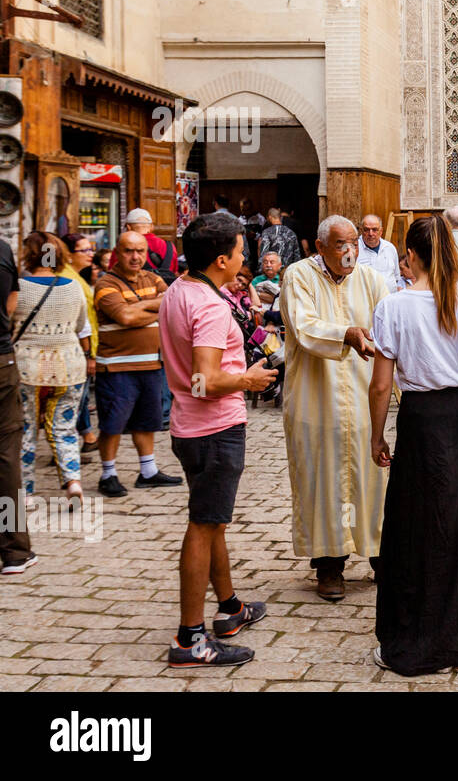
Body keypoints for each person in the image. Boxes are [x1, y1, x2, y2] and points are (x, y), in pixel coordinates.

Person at [368, 215, 458, 674]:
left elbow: (381, 386)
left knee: (414, 525)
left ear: (414, 256)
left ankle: (415, 635)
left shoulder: (394, 307)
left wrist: (376, 433)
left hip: (423, 419)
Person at [159, 213, 277, 668]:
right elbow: (204, 378)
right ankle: (190, 638)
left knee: (214, 522)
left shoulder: (180, 290)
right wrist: (247, 380)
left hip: (191, 426)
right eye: (241, 251)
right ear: (222, 259)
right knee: (203, 525)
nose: (245, 257)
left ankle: (229, 609)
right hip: (212, 428)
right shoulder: (208, 306)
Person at [279, 215, 389, 601]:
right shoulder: (298, 276)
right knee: (322, 481)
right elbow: (304, 326)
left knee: (371, 480)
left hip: (363, 401)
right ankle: (329, 565)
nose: (349, 252)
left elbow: (390, 329)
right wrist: (346, 333)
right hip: (316, 401)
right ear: (319, 246)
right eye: (340, 244)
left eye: (354, 243)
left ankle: (380, 557)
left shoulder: (373, 280)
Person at [92, 230, 179, 498]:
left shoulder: (152, 278)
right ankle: (108, 474)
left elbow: (171, 306)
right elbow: (125, 317)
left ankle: (148, 471)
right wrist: (153, 308)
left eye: (140, 251)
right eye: (129, 250)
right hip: (116, 366)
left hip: (151, 365)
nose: (135, 256)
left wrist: (140, 307)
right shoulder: (106, 283)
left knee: (147, 421)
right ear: (117, 252)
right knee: (112, 423)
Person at [14, 232, 90, 500]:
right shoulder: (74, 287)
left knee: (25, 428)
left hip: (27, 366)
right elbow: (81, 326)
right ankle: (73, 482)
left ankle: (25, 491)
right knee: (63, 426)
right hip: (69, 364)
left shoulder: (19, 287)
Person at [0, 238, 36, 575]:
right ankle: (14, 550)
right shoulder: (2, 248)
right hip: (1, 360)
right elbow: (12, 300)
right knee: (6, 456)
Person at [60, 233, 99, 453]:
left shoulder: (76, 276)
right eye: (84, 250)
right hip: (77, 349)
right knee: (77, 397)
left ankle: (85, 436)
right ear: (68, 254)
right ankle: (74, 442)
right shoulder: (70, 279)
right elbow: (81, 322)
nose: (90, 253)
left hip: (81, 347)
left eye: (90, 249)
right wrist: (88, 355)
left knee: (79, 396)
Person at [124, 208, 179, 280]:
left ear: (128, 227)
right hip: (166, 289)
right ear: (151, 227)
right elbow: (174, 271)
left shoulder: (124, 247)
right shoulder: (170, 246)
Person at [358, 214, 404, 294]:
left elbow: (397, 277)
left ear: (381, 231)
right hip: (366, 302)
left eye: (374, 229)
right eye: (366, 230)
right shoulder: (354, 249)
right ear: (361, 230)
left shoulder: (390, 248)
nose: (371, 233)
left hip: (389, 299)